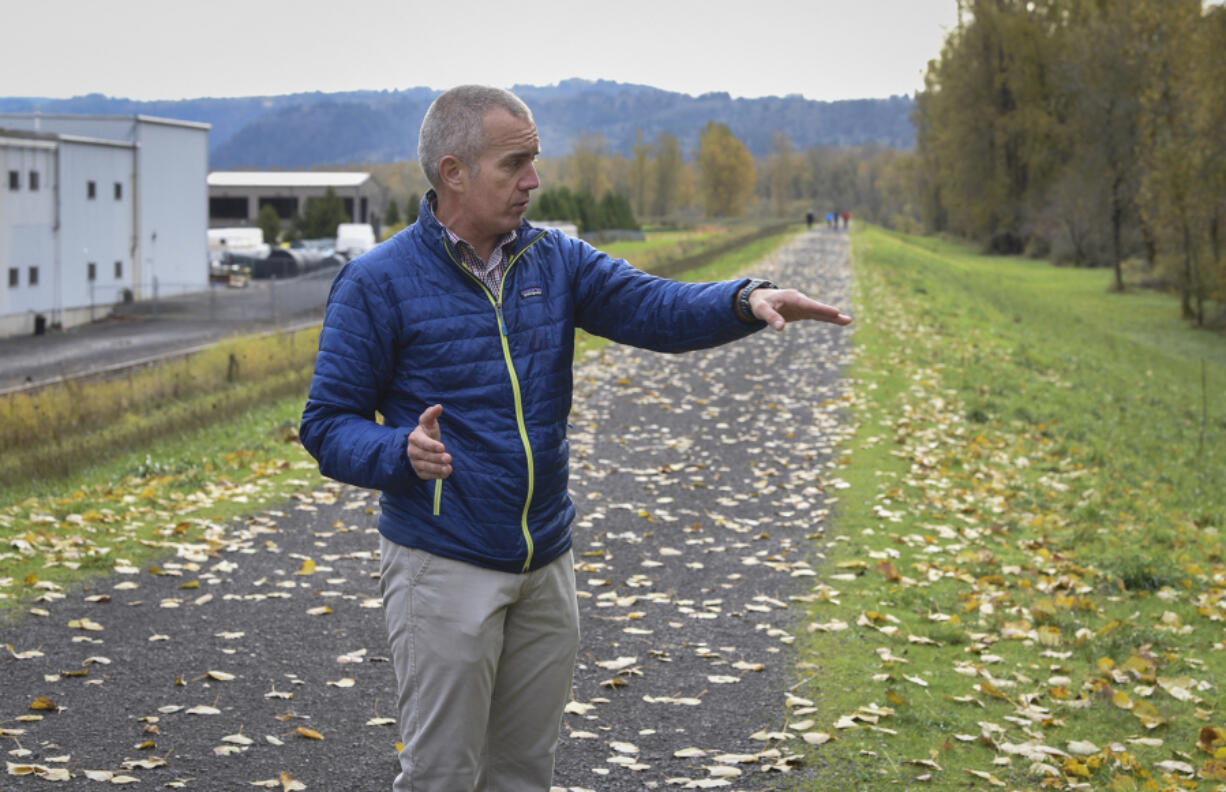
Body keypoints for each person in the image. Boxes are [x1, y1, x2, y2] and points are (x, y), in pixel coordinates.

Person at [299, 84, 853, 792]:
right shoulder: (377, 283)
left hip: (545, 563)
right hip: (442, 566)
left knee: (524, 774)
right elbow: (325, 425)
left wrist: (745, 299)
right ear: (453, 172)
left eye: (535, 159)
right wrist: (396, 453)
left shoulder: (552, 259)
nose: (534, 180)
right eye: (515, 163)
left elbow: (654, 306)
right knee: (442, 775)